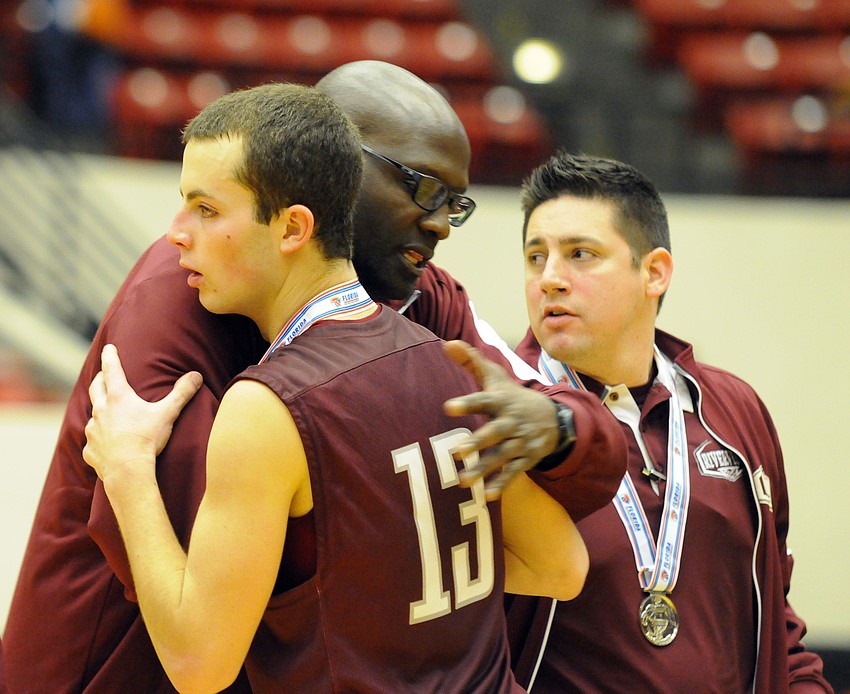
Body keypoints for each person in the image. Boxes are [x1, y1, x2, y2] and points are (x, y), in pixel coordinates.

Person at [2, 63, 625, 693]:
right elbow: (561, 565)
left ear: (301, 210)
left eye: (205, 207)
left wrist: (127, 472)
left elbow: (207, 641)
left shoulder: (292, 391)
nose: (176, 234)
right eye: (423, 189)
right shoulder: (443, 359)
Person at [507, 151, 832, 693]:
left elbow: (776, 617)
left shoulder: (734, 411)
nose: (550, 279)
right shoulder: (510, 420)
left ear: (653, 272)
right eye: (535, 257)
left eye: (580, 254)